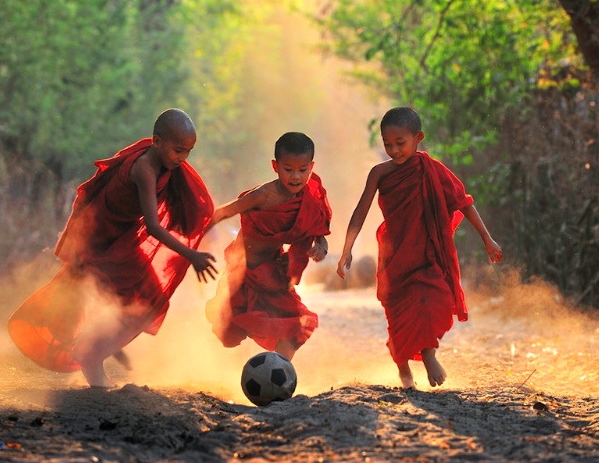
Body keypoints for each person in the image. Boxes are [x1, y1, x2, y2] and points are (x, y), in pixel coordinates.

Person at [8, 108, 218, 388]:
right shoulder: (144, 169)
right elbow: (154, 227)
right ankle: (93, 359)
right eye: (179, 150)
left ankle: (102, 343)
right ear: (156, 141)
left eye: (189, 152)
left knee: (147, 296)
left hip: (121, 236)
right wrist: (191, 255)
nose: (183, 159)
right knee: (85, 300)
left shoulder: (161, 160)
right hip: (98, 238)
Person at [337, 106, 502, 389]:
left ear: (418, 138)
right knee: (398, 311)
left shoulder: (431, 169)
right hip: (394, 253)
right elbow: (361, 210)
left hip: (426, 251)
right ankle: (403, 370)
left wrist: (487, 239)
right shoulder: (379, 173)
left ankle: (429, 353)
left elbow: (464, 202)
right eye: (387, 144)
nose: (394, 150)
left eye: (400, 143)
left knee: (434, 300)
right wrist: (347, 248)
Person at [204, 132, 332, 360]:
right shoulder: (263, 195)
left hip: (273, 273)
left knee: (296, 323)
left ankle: (282, 371)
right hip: (241, 272)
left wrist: (321, 247)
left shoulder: (310, 196)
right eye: (288, 169)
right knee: (228, 333)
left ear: (312, 166)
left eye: (303, 170)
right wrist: (191, 238)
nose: (296, 177)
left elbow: (318, 230)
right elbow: (224, 212)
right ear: (275, 166)